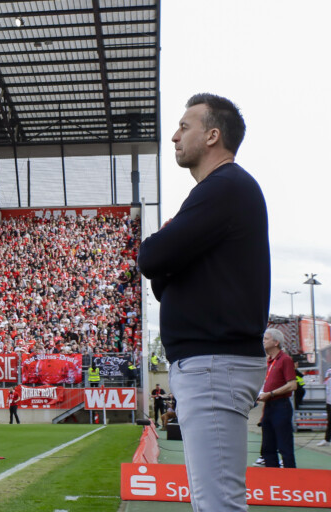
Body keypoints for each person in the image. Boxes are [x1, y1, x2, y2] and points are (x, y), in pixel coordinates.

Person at [138, 93, 269, 512]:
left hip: (215, 362)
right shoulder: (223, 191)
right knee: (211, 500)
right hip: (211, 362)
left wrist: (165, 256)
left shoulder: (225, 187)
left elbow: (152, 257)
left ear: (213, 135)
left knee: (217, 504)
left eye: (185, 126)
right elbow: (162, 279)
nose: (175, 136)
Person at [256, 329, 296, 468]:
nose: (263, 341)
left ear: (276, 342)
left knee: (284, 446)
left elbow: (292, 385)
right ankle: (273, 479)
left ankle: (291, 480)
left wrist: (271, 393)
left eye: (266, 339)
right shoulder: (268, 362)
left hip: (280, 405)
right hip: (269, 406)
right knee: (268, 447)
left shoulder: (285, 359)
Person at [317, 365, 331, 447]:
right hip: (329, 401)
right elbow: (325, 382)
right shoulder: (329, 371)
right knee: (330, 421)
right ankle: (327, 439)